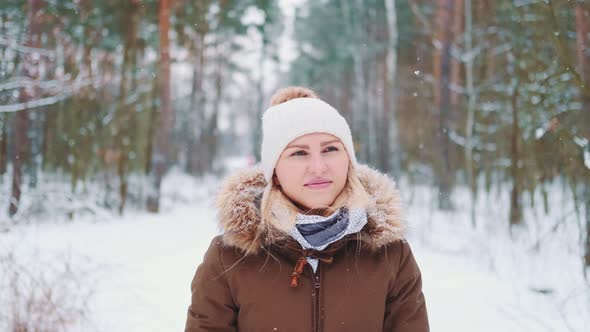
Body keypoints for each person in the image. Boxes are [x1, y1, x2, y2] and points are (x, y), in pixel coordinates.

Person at [185, 87, 429, 331]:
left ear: (348, 161)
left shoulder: (390, 255)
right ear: (275, 173)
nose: (318, 167)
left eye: (330, 149)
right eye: (299, 153)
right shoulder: (230, 256)